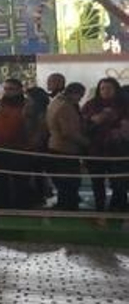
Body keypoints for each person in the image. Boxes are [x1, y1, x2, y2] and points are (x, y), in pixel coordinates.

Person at [0, 78, 32, 209]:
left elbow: (38, 127)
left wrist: (31, 146)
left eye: (11, 89)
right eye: (6, 89)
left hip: (20, 150)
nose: (8, 92)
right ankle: (1, 205)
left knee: (21, 182)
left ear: (20, 90)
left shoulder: (29, 106)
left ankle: (22, 207)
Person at [82, 78, 128, 211]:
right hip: (96, 151)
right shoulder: (90, 105)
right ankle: (99, 208)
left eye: (109, 88)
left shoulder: (125, 104)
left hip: (119, 151)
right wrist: (96, 120)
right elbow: (83, 126)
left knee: (119, 183)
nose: (105, 91)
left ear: (116, 89)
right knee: (97, 182)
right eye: (102, 88)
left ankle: (119, 208)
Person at [46, 83, 89, 211]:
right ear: (74, 93)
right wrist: (87, 143)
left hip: (54, 145)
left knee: (62, 181)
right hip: (66, 148)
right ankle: (68, 206)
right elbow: (69, 132)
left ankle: (64, 203)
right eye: (80, 96)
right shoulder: (66, 106)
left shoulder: (55, 102)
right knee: (70, 181)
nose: (80, 99)